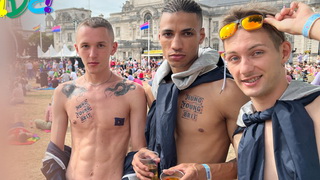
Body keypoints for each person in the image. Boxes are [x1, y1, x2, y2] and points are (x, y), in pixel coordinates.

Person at [132, 0, 249, 179]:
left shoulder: (226, 90)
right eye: (168, 34)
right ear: (159, 36)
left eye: (187, 33)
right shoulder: (155, 88)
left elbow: (252, 158)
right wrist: (139, 155)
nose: (176, 44)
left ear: (201, 36)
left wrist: (206, 172)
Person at [220, 2, 320, 179]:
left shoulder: (316, 110)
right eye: (234, 58)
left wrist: (310, 24)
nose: (245, 69)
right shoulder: (243, 131)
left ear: (284, 52)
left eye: (257, 53)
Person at [42, 17, 147, 180]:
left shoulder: (133, 93)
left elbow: (139, 150)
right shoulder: (63, 92)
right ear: (77, 48)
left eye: (100, 45)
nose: (92, 54)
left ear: (113, 48)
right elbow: (55, 149)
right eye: (85, 46)